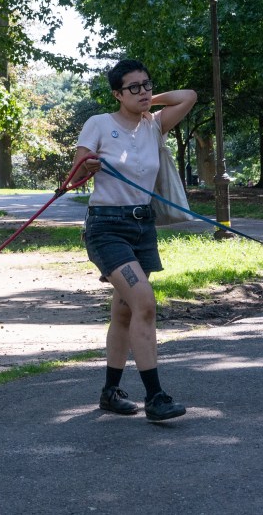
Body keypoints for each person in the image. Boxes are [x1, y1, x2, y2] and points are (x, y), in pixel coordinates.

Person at [72, 59, 197, 422]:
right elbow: (76, 174)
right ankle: (156, 397)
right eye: (133, 87)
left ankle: (110, 392)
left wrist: (145, 101)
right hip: (106, 227)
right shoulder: (99, 124)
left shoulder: (154, 126)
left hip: (143, 227)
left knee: (125, 311)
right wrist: (89, 166)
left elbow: (189, 96)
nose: (143, 92)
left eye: (146, 85)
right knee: (144, 303)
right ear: (116, 94)